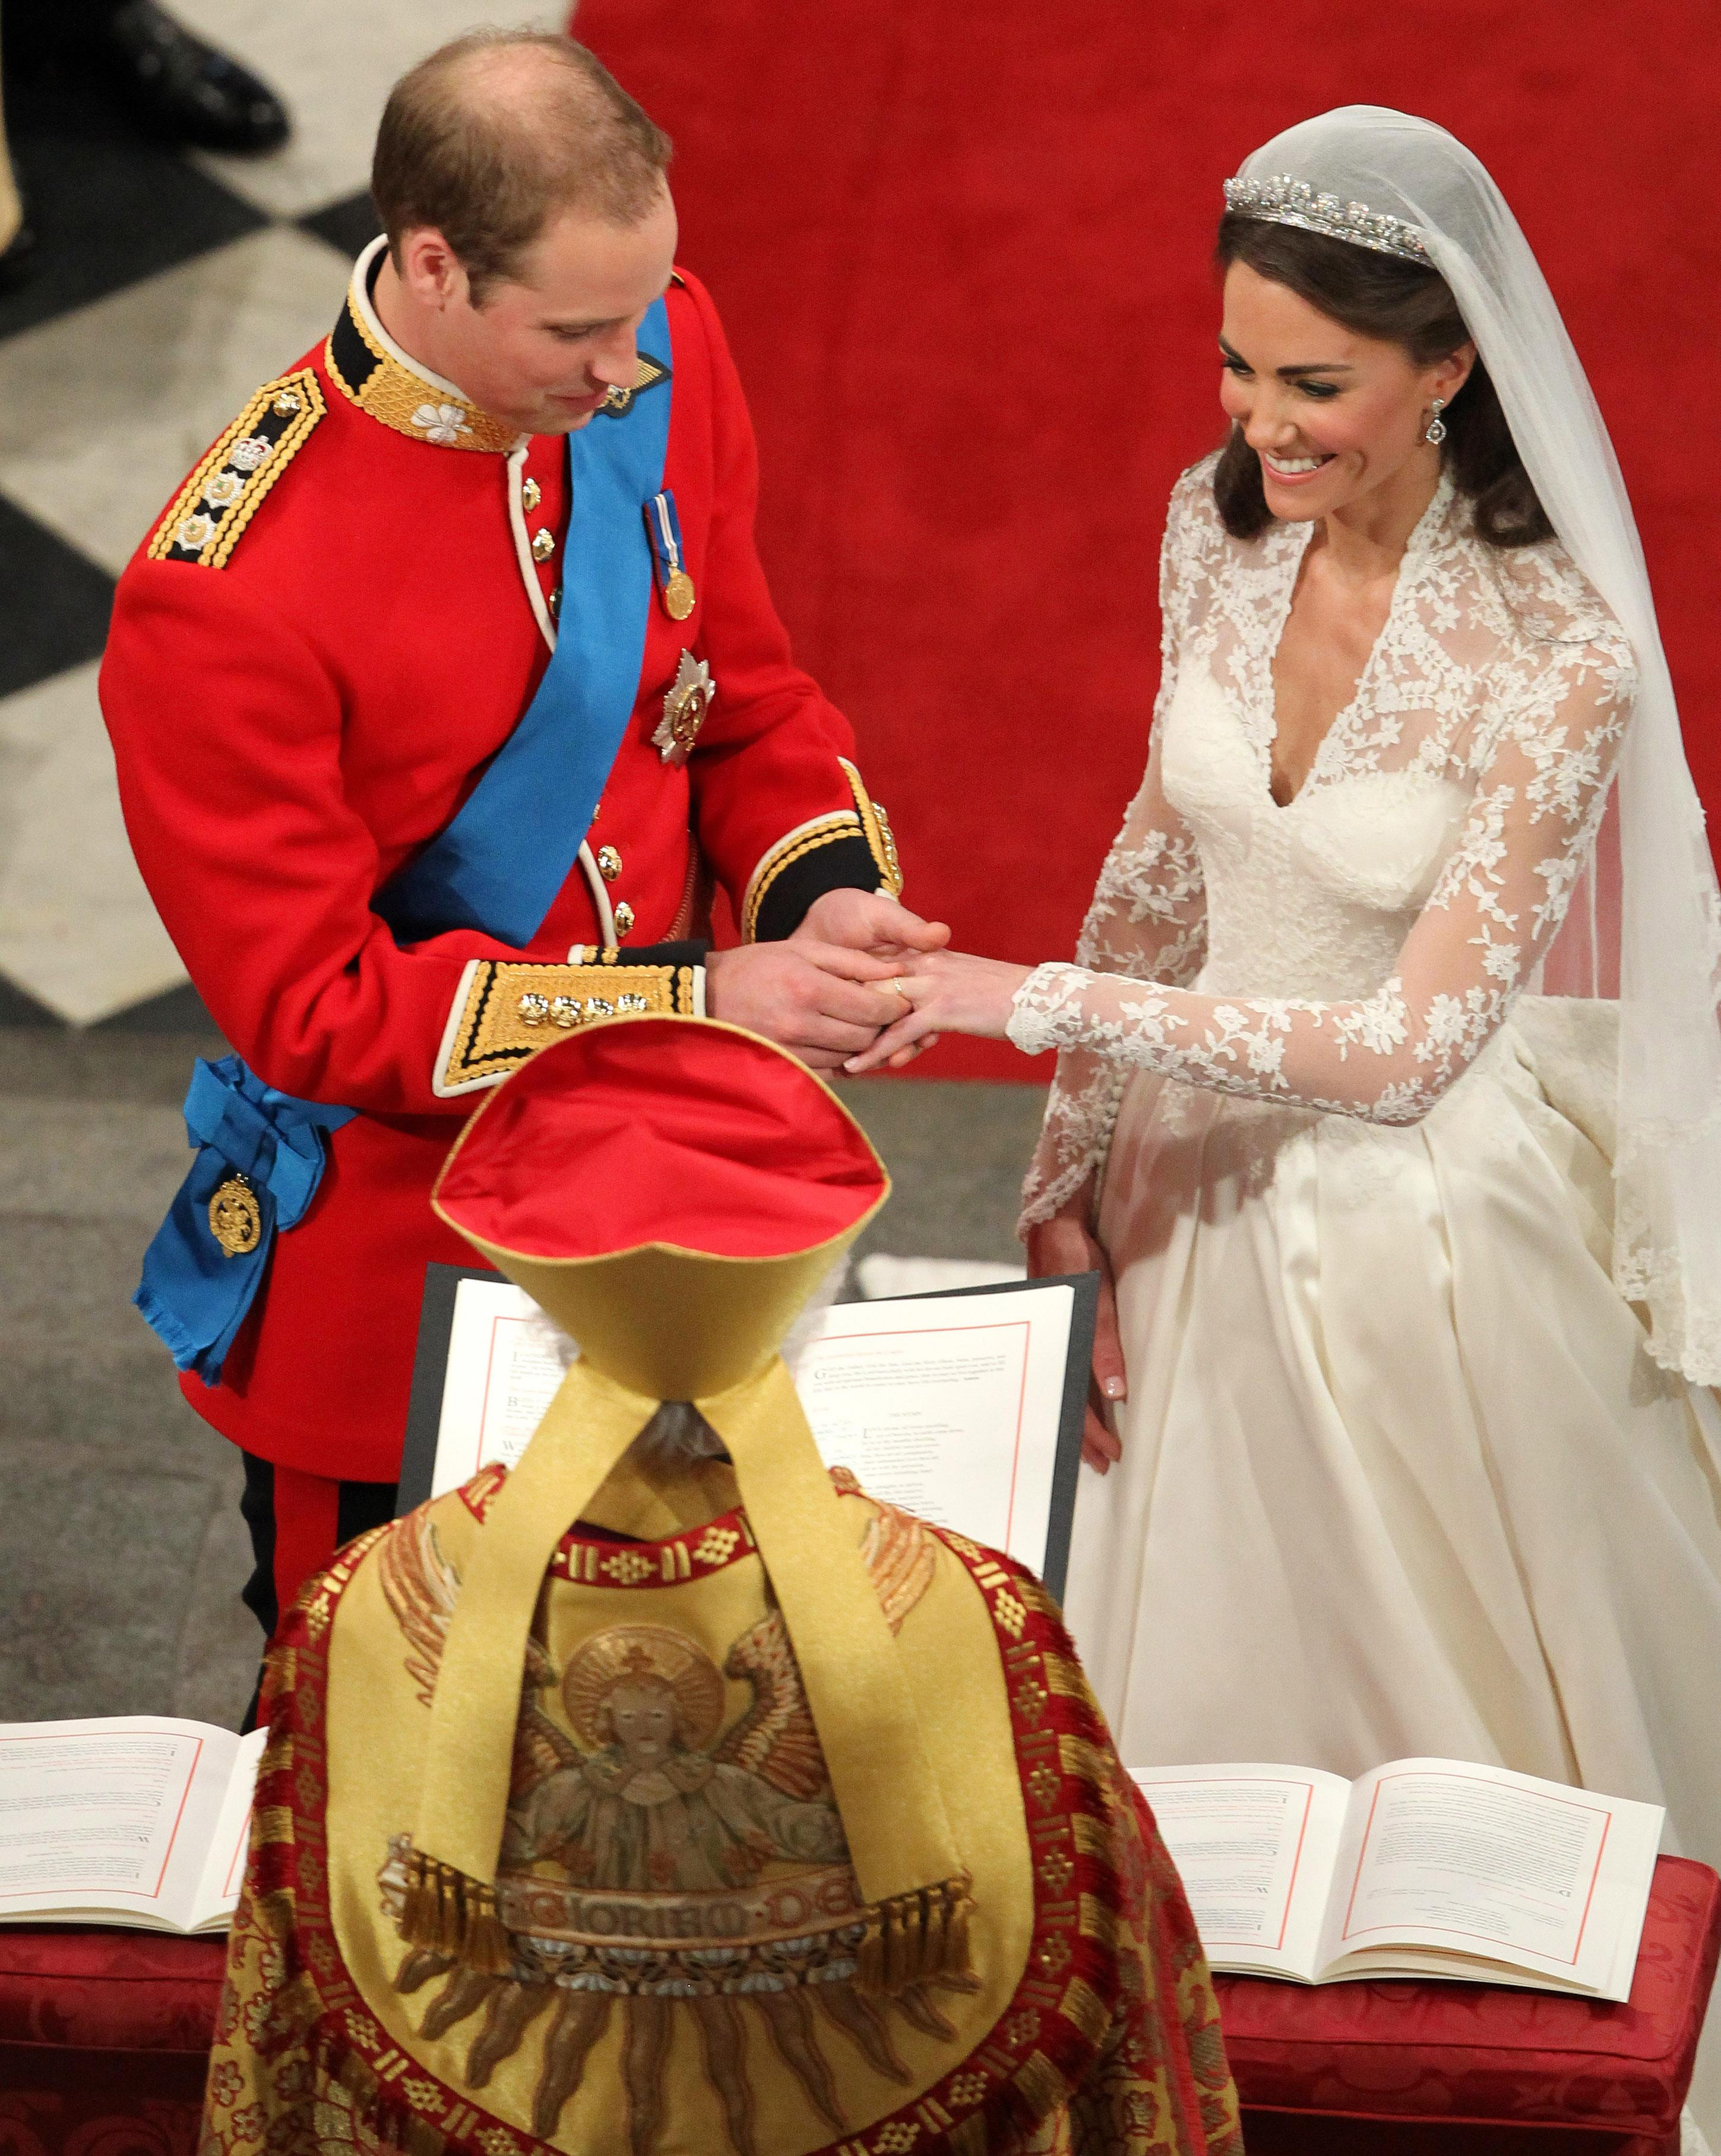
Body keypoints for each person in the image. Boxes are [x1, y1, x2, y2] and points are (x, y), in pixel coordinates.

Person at [846, 109, 1721, 1887]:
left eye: (1312, 380)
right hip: (1186, 1184)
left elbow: (1405, 1054)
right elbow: (1165, 865)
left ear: (1450, 367)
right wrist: (1067, 1162)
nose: (1258, 421)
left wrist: (1027, 999)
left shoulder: (1562, 656)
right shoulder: (1218, 528)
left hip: (1417, 1250)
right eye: (1237, 364)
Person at [99, 30, 942, 1656]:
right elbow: (324, 1009)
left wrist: (830, 901)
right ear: (432, 262)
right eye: (574, 328)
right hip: (412, 1273)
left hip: (684, 1209)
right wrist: (701, 994)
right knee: (386, 1756)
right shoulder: (225, 590)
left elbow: (741, 701)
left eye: (640, 310)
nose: (625, 366)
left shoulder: (653, 350)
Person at [200, 1013, 1242, 2156]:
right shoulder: (965, 1607)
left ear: (537, 1298)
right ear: (820, 1294)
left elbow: (280, 2033)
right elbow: (1129, 2004)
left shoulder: (365, 1600)